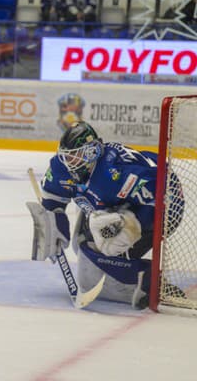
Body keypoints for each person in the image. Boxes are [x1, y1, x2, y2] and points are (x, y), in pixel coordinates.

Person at [28, 121, 184, 309]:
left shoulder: (113, 175)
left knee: (107, 243)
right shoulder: (61, 167)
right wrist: (55, 222)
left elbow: (164, 193)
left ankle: (150, 282)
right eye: (66, 157)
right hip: (113, 205)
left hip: (164, 203)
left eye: (75, 157)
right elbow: (53, 198)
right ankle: (128, 273)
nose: (69, 163)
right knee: (85, 250)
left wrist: (133, 225)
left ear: (91, 153)